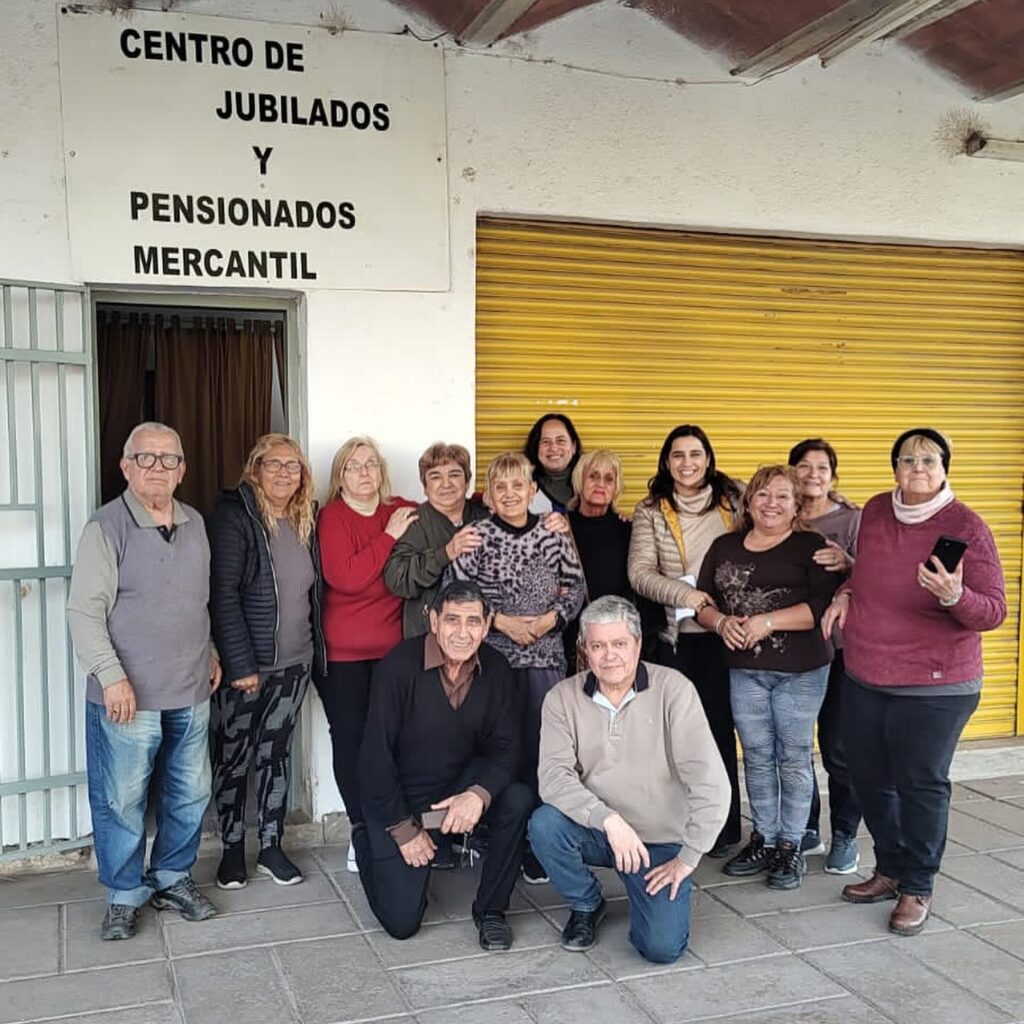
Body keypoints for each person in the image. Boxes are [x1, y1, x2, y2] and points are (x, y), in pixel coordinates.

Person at [822, 428, 1005, 936]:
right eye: (907, 459)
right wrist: (844, 592)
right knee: (866, 776)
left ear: (945, 466)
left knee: (919, 784)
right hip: (866, 672)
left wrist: (953, 595)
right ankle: (890, 867)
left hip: (936, 684)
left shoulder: (967, 525)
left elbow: (992, 612)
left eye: (928, 459)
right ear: (894, 467)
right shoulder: (878, 510)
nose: (918, 467)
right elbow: (868, 574)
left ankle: (917, 884)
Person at [68, 422, 220, 940]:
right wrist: (112, 679)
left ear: (183, 470)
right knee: (122, 802)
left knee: (190, 794)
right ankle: (124, 893)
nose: (158, 467)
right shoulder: (105, 527)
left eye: (168, 459)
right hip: (127, 697)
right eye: (146, 458)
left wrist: (213, 651)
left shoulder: (195, 523)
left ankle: (173, 878)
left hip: (191, 688)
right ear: (125, 466)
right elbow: (84, 613)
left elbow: (196, 603)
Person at [529, 595, 729, 963]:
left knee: (661, 948)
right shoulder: (562, 698)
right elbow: (553, 778)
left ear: (637, 644)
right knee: (545, 825)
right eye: (598, 646)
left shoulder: (675, 689)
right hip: (600, 829)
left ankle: (647, 893)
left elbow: (711, 781)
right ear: (584, 650)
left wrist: (689, 857)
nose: (609, 656)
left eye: (620, 644)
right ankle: (587, 902)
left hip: (659, 840)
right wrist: (607, 819)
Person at [353, 581, 532, 951]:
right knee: (402, 922)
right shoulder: (398, 667)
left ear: (487, 625)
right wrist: (403, 830)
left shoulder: (496, 669)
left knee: (517, 798)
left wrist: (478, 795)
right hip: (404, 800)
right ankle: (366, 838)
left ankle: (492, 911)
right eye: (452, 620)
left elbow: (508, 748)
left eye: (472, 621)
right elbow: (374, 758)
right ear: (433, 621)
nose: (462, 633)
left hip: (461, 787)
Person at [695, 465, 837, 891]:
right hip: (746, 670)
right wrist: (720, 623)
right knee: (755, 755)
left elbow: (823, 606)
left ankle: (792, 845)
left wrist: (766, 622)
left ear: (796, 506)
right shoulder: (724, 546)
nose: (771, 503)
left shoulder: (812, 546)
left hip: (802, 670)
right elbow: (702, 601)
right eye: (762, 494)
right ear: (748, 501)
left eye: (781, 496)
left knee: (792, 756)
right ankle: (765, 838)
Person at [450, 450, 586, 882]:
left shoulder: (552, 533)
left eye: (518, 485)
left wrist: (550, 620)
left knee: (541, 752)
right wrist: (501, 621)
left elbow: (576, 586)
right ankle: (491, 835)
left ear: (533, 490)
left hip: (545, 660)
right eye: (500, 486)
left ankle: (536, 843)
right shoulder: (476, 535)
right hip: (493, 660)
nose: (510, 493)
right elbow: (455, 589)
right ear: (489, 495)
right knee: (493, 749)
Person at [207, 434, 326, 890]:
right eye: (274, 465)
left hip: (295, 662)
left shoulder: (302, 518)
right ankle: (232, 849)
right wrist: (240, 664)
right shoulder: (235, 517)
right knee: (234, 757)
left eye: (293, 467)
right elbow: (223, 595)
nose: (283, 474)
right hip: (248, 666)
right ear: (254, 469)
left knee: (275, 755)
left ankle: (272, 847)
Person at [627, 424, 743, 857]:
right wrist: (689, 597)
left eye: (696, 454)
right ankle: (678, 825)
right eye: (678, 455)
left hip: (731, 635)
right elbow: (640, 573)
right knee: (677, 737)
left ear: (709, 459)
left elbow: (780, 516)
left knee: (720, 732)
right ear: (666, 461)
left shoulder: (736, 500)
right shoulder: (651, 509)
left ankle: (724, 829)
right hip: (681, 638)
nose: (687, 463)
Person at [316, 436, 418, 873]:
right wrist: (389, 538)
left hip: (394, 651)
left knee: (395, 742)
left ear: (382, 472)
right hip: (344, 657)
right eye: (353, 466)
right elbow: (347, 578)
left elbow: (450, 503)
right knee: (353, 743)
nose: (363, 473)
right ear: (340, 475)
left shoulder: (399, 509)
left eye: (371, 464)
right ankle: (362, 831)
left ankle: (393, 824)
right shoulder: (333, 517)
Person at [788, 438, 862, 873]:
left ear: (833, 476)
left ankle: (846, 835)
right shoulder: (782, 514)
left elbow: (878, 574)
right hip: (795, 650)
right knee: (796, 746)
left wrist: (847, 560)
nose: (812, 474)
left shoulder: (853, 519)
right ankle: (807, 826)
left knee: (838, 747)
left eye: (822, 468)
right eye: (804, 466)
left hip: (840, 650)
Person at [383, 442, 491, 639]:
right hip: (429, 636)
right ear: (424, 487)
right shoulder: (414, 522)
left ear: (467, 481)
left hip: (482, 636)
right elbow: (397, 579)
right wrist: (445, 554)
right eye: (435, 477)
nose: (446, 484)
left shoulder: (486, 518)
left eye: (454, 474)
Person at [564, 449, 634, 665]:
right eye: (593, 476)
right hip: (569, 640)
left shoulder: (628, 529)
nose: (600, 484)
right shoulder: (560, 526)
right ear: (579, 480)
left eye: (608, 479)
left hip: (613, 638)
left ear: (616, 487)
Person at [523, 413, 582, 513]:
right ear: (536, 447)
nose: (554, 448)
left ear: (574, 447)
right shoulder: (522, 484)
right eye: (546, 441)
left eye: (561, 440)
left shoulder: (590, 483)